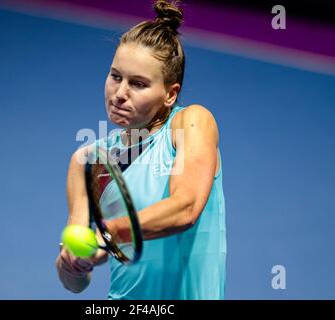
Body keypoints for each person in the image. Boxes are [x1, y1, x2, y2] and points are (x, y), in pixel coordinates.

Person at [56, 0, 226, 299]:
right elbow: (75, 285)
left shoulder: (192, 122)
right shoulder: (87, 162)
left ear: (170, 94)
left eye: (137, 84)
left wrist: (111, 233)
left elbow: (185, 208)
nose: (120, 94)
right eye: (115, 76)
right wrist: (72, 265)